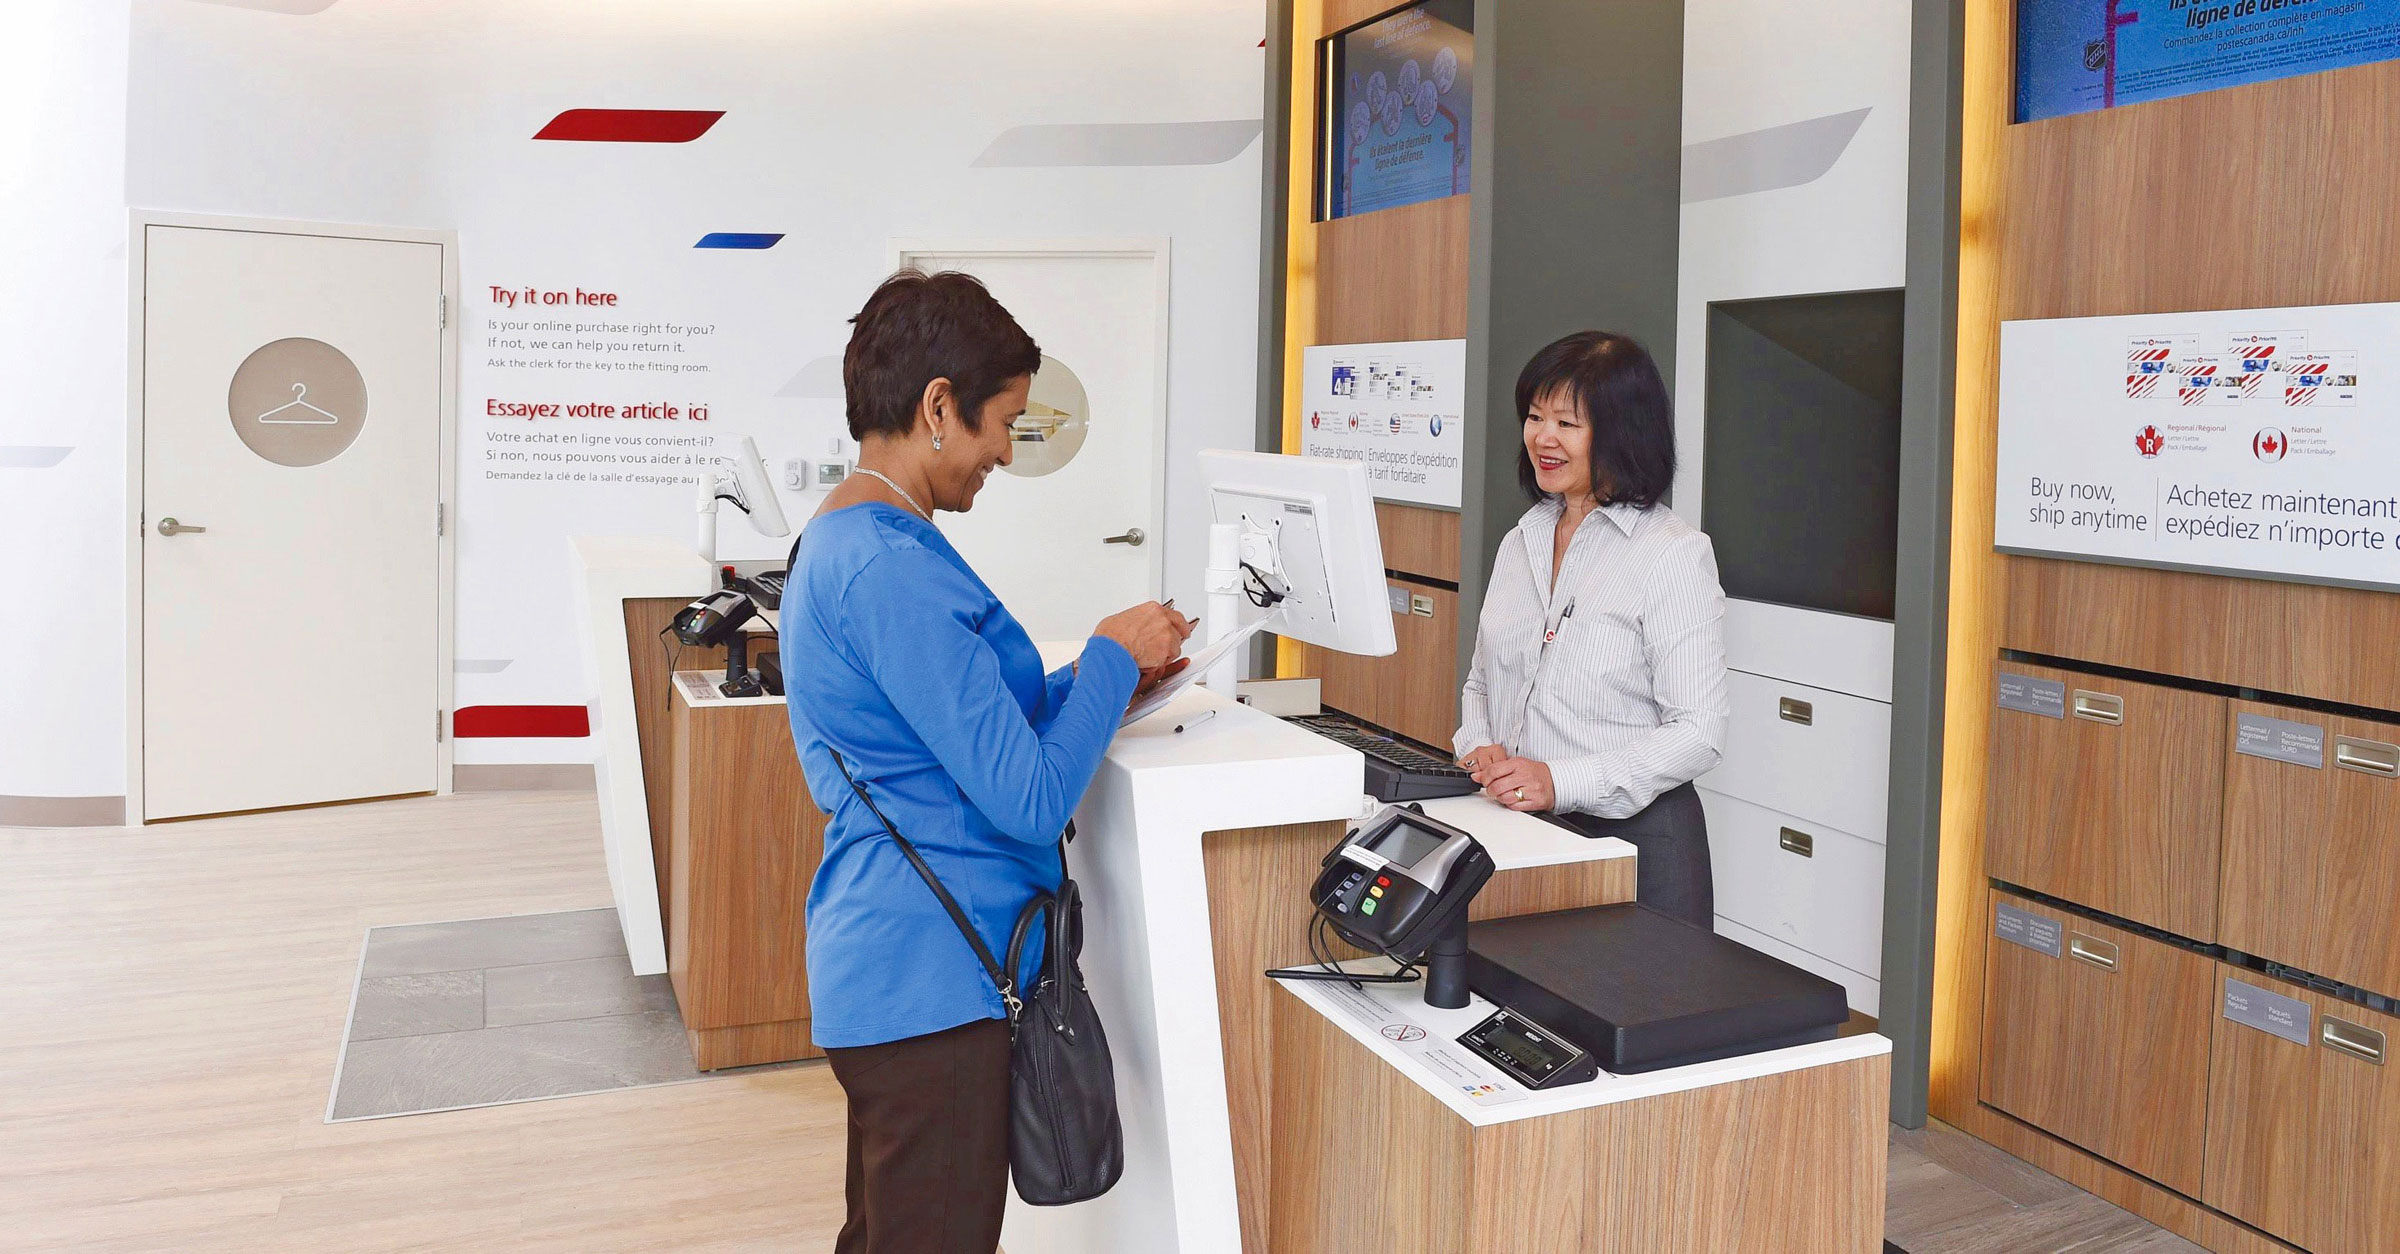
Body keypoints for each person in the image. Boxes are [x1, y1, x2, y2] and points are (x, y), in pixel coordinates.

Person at [779, 269, 1193, 1254]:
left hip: (904, 973)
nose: (1006, 451)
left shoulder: (867, 542)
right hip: (928, 986)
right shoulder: (888, 567)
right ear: (935, 407)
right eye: (1001, 422)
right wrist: (1105, 655)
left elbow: (970, 731)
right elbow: (1026, 795)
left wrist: (1100, 691)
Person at [1453, 330, 1729, 928]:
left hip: (1634, 848)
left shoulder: (1672, 554)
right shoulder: (1520, 540)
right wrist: (1477, 745)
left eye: (1567, 423)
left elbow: (1700, 731)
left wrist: (1562, 780)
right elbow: (1481, 682)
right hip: (1517, 832)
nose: (1542, 438)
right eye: (1533, 417)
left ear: (1621, 432)